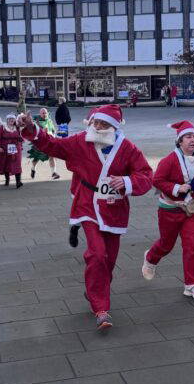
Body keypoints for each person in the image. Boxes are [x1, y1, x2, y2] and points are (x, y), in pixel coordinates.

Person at [19, 104, 153, 332]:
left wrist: (127, 182)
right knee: (98, 254)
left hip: (115, 210)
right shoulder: (82, 140)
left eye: (103, 124)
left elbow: (146, 174)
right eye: (95, 122)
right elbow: (54, 145)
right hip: (87, 205)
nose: (97, 127)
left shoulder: (127, 148)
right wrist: (32, 129)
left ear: (113, 126)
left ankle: (94, 289)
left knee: (108, 261)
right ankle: (101, 309)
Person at [142, 120, 194, 300]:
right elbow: (157, 181)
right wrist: (177, 188)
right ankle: (151, 258)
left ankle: (192, 285)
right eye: (188, 137)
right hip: (169, 210)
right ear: (180, 141)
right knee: (166, 245)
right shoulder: (169, 160)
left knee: (192, 246)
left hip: (191, 210)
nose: (193, 140)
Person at [28, 107, 60, 179]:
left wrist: (54, 135)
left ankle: (53, 173)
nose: (45, 114)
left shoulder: (49, 121)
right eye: (43, 113)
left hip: (50, 142)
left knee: (52, 156)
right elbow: (34, 132)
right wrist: (42, 131)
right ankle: (33, 168)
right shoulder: (37, 122)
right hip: (40, 143)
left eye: (45, 113)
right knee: (37, 158)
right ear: (40, 114)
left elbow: (53, 130)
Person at [0, 113, 25, 188]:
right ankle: (7, 179)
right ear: (7, 120)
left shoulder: (17, 127)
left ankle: (18, 182)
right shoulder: (3, 127)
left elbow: (20, 136)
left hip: (16, 148)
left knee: (17, 164)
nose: (11, 120)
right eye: (10, 119)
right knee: (6, 164)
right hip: (5, 148)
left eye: (13, 119)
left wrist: (21, 142)